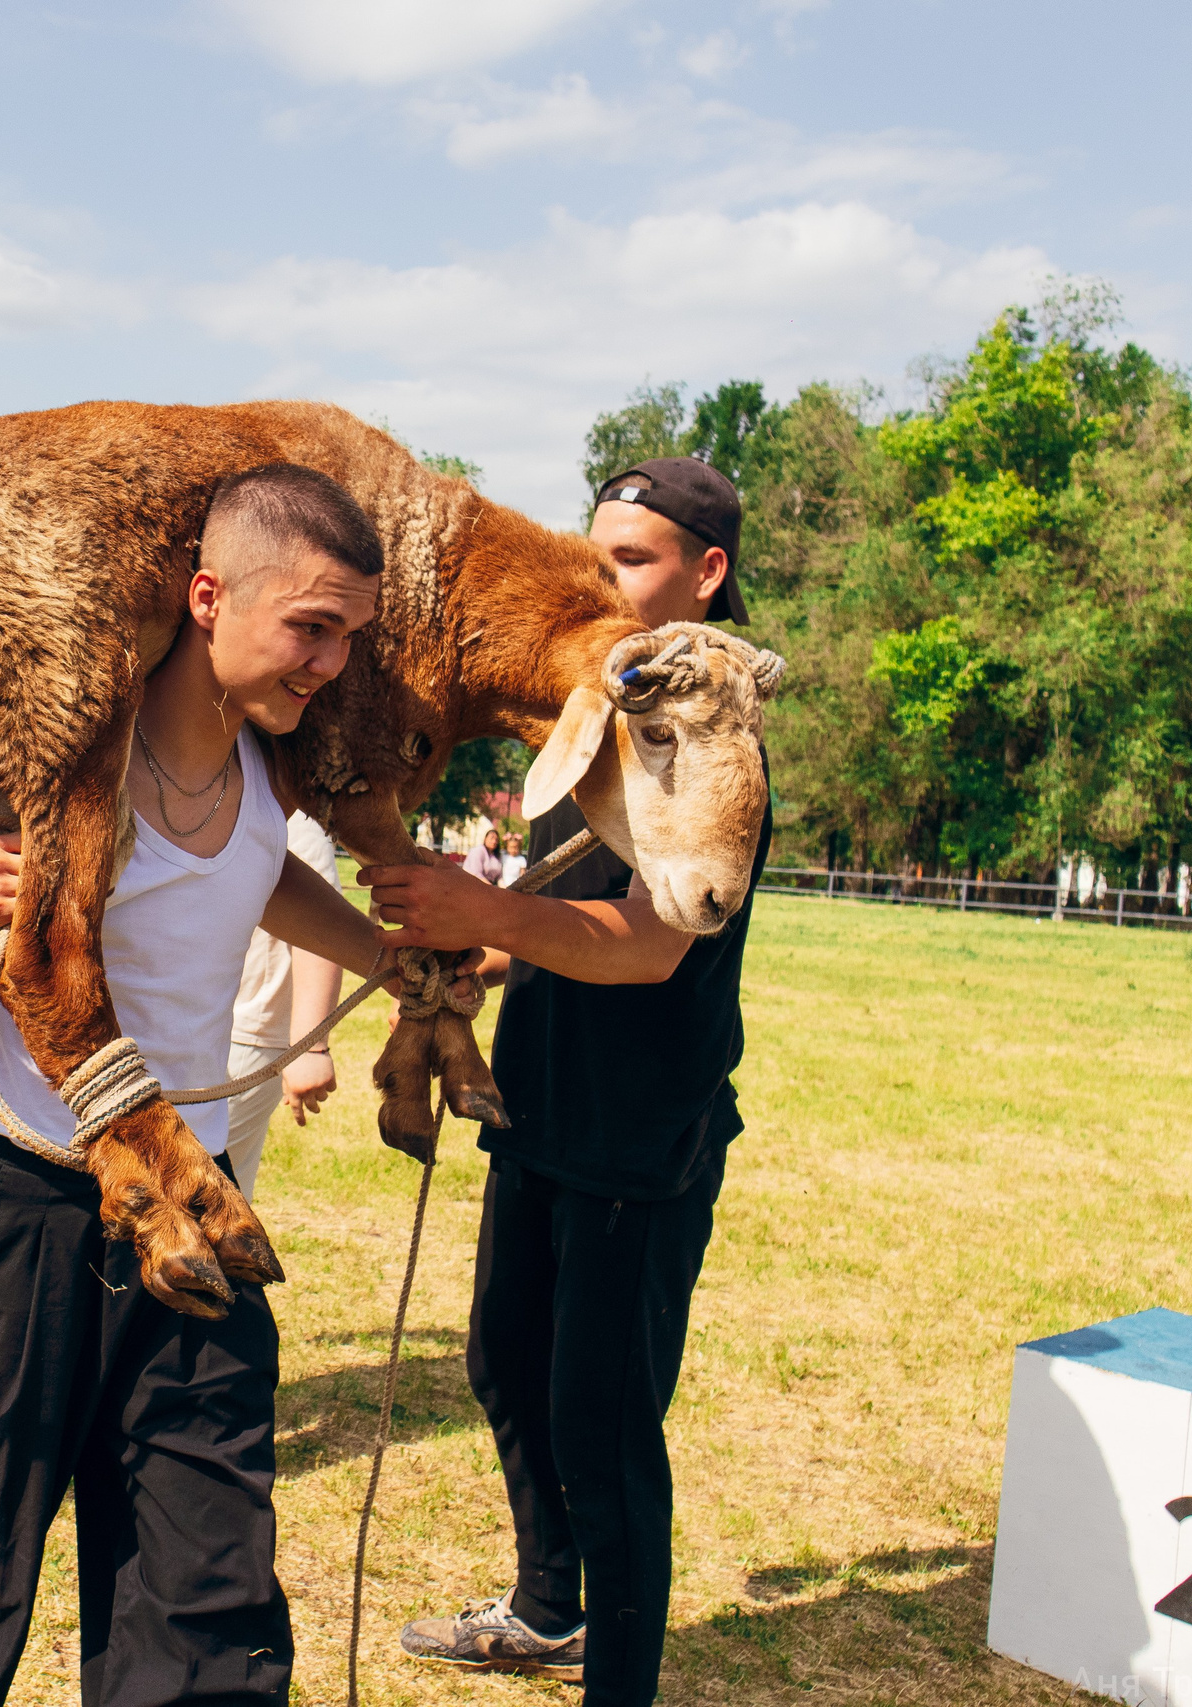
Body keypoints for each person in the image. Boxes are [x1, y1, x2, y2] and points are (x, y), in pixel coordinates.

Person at [0, 464, 440, 1707]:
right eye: (311, 628)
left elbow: (253, 876)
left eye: (350, 638)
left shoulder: (271, 775)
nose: (330, 665)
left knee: (205, 1582)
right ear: (207, 598)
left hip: (199, 1201)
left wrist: (398, 958)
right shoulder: (46, 764)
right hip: (21, 1210)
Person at [374, 456, 765, 1705]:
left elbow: (650, 946)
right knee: (502, 1364)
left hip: (636, 1135)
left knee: (602, 1429)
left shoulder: (707, 738)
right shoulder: (592, 710)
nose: (602, 581)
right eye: (593, 556)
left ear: (706, 572)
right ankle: (548, 1611)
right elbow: (560, 909)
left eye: (632, 561)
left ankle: (620, 1683)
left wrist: (484, 911)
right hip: (540, 1105)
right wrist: (480, 952)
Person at [221, 809, 345, 1201]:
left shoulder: (292, 817)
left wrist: (310, 1046)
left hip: (246, 1038)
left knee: (195, 1199)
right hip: (219, 1030)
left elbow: (322, 924)